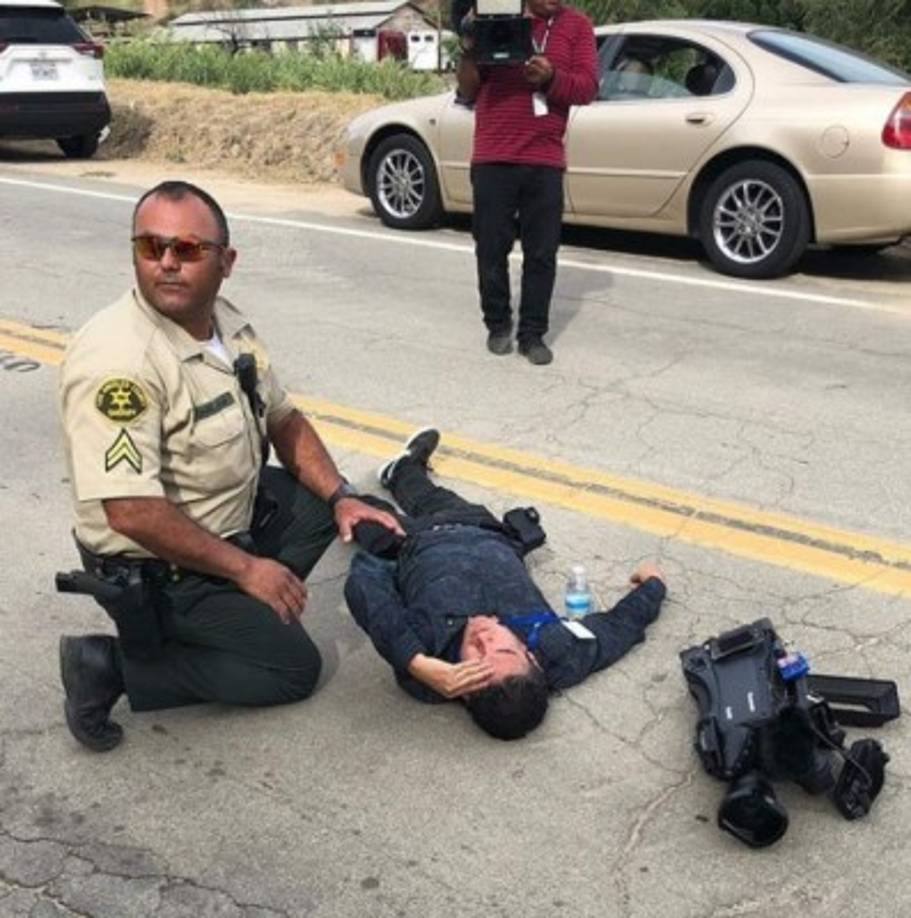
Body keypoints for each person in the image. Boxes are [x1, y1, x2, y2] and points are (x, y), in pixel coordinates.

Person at [57, 180, 403, 753]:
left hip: (223, 515)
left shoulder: (225, 323)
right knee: (293, 670)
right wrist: (247, 570)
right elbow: (131, 512)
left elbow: (285, 420)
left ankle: (236, 607)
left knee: (334, 507)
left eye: (187, 249)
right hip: (154, 564)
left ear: (226, 262)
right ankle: (115, 664)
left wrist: (343, 494)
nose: (166, 263)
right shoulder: (119, 363)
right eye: (150, 247)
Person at [344, 428, 667, 740]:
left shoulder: (431, 662)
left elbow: (364, 581)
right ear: (530, 657)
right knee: (425, 492)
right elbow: (619, 627)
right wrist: (653, 585)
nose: (483, 636)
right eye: (500, 646)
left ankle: (339, 492)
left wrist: (413, 660)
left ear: (463, 689)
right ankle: (402, 470)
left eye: (475, 654)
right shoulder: (558, 652)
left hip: (407, 546)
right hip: (479, 528)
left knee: (357, 514)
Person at [456, 0, 598, 366]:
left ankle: (532, 334)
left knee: (541, 254)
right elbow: (469, 90)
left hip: (545, 159)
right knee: (490, 249)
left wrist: (551, 78)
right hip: (493, 155)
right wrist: (470, 46)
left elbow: (587, 88)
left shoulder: (577, 26)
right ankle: (498, 325)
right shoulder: (496, 18)